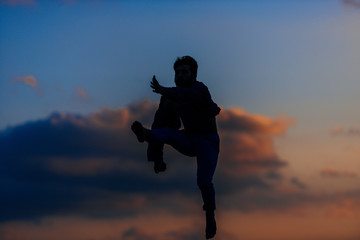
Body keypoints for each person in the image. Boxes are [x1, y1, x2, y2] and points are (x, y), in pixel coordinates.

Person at [131, 56, 220, 239]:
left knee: (203, 181)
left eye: (184, 72)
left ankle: (210, 215)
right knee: (164, 131)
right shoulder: (169, 98)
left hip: (208, 143)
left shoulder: (200, 90)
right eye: (177, 73)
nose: (180, 76)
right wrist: (157, 159)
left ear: (193, 74)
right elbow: (159, 123)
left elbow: (187, 94)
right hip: (188, 139)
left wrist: (165, 90)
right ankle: (145, 135)